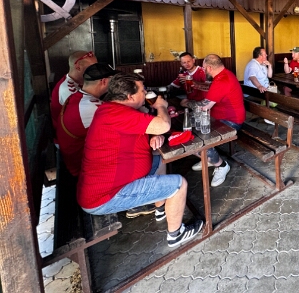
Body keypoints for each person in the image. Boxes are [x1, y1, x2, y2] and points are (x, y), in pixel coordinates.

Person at [77, 73, 204, 248]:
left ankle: (161, 209)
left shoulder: (110, 109)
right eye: (142, 90)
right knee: (179, 184)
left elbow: (139, 129)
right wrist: (161, 107)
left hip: (107, 185)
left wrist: (154, 135)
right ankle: (176, 235)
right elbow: (164, 125)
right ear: (130, 96)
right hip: (105, 196)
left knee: (160, 159)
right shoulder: (117, 114)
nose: (145, 93)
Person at [55, 63, 118, 178]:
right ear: (104, 81)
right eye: (112, 80)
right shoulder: (90, 106)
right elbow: (124, 123)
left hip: (72, 159)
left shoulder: (76, 96)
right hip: (82, 169)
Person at [192, 54, 242, 186]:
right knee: (192, 132)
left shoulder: (222, 80)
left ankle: (221, 165)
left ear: (209, 68)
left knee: (197, 140)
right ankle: (209, 159)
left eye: (204, 68)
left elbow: (204, 106)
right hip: (221, 117)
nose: (203, 71)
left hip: (231, 121)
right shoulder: (223, 75)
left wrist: (186, 104)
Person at [50, 50, 98, 134]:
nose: (96, 70)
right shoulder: (68, 89)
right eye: (92, 67)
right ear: (78, 67)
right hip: (68, 137)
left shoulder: (78, 81)